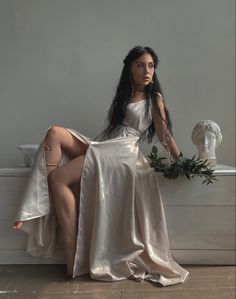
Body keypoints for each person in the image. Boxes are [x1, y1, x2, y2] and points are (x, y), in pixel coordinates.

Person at [13, 46, 190, 286]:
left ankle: (70, 254)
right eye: (140, 65)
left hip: (122, 153)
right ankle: (46, 208)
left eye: (150, 65)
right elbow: (112, 131)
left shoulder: (154, 98)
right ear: (129, 69)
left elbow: (165, 135)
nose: (146, 71)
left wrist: (182, 163)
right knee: (54, 133)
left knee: (57, 180)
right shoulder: (123, 97)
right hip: (105, 144)